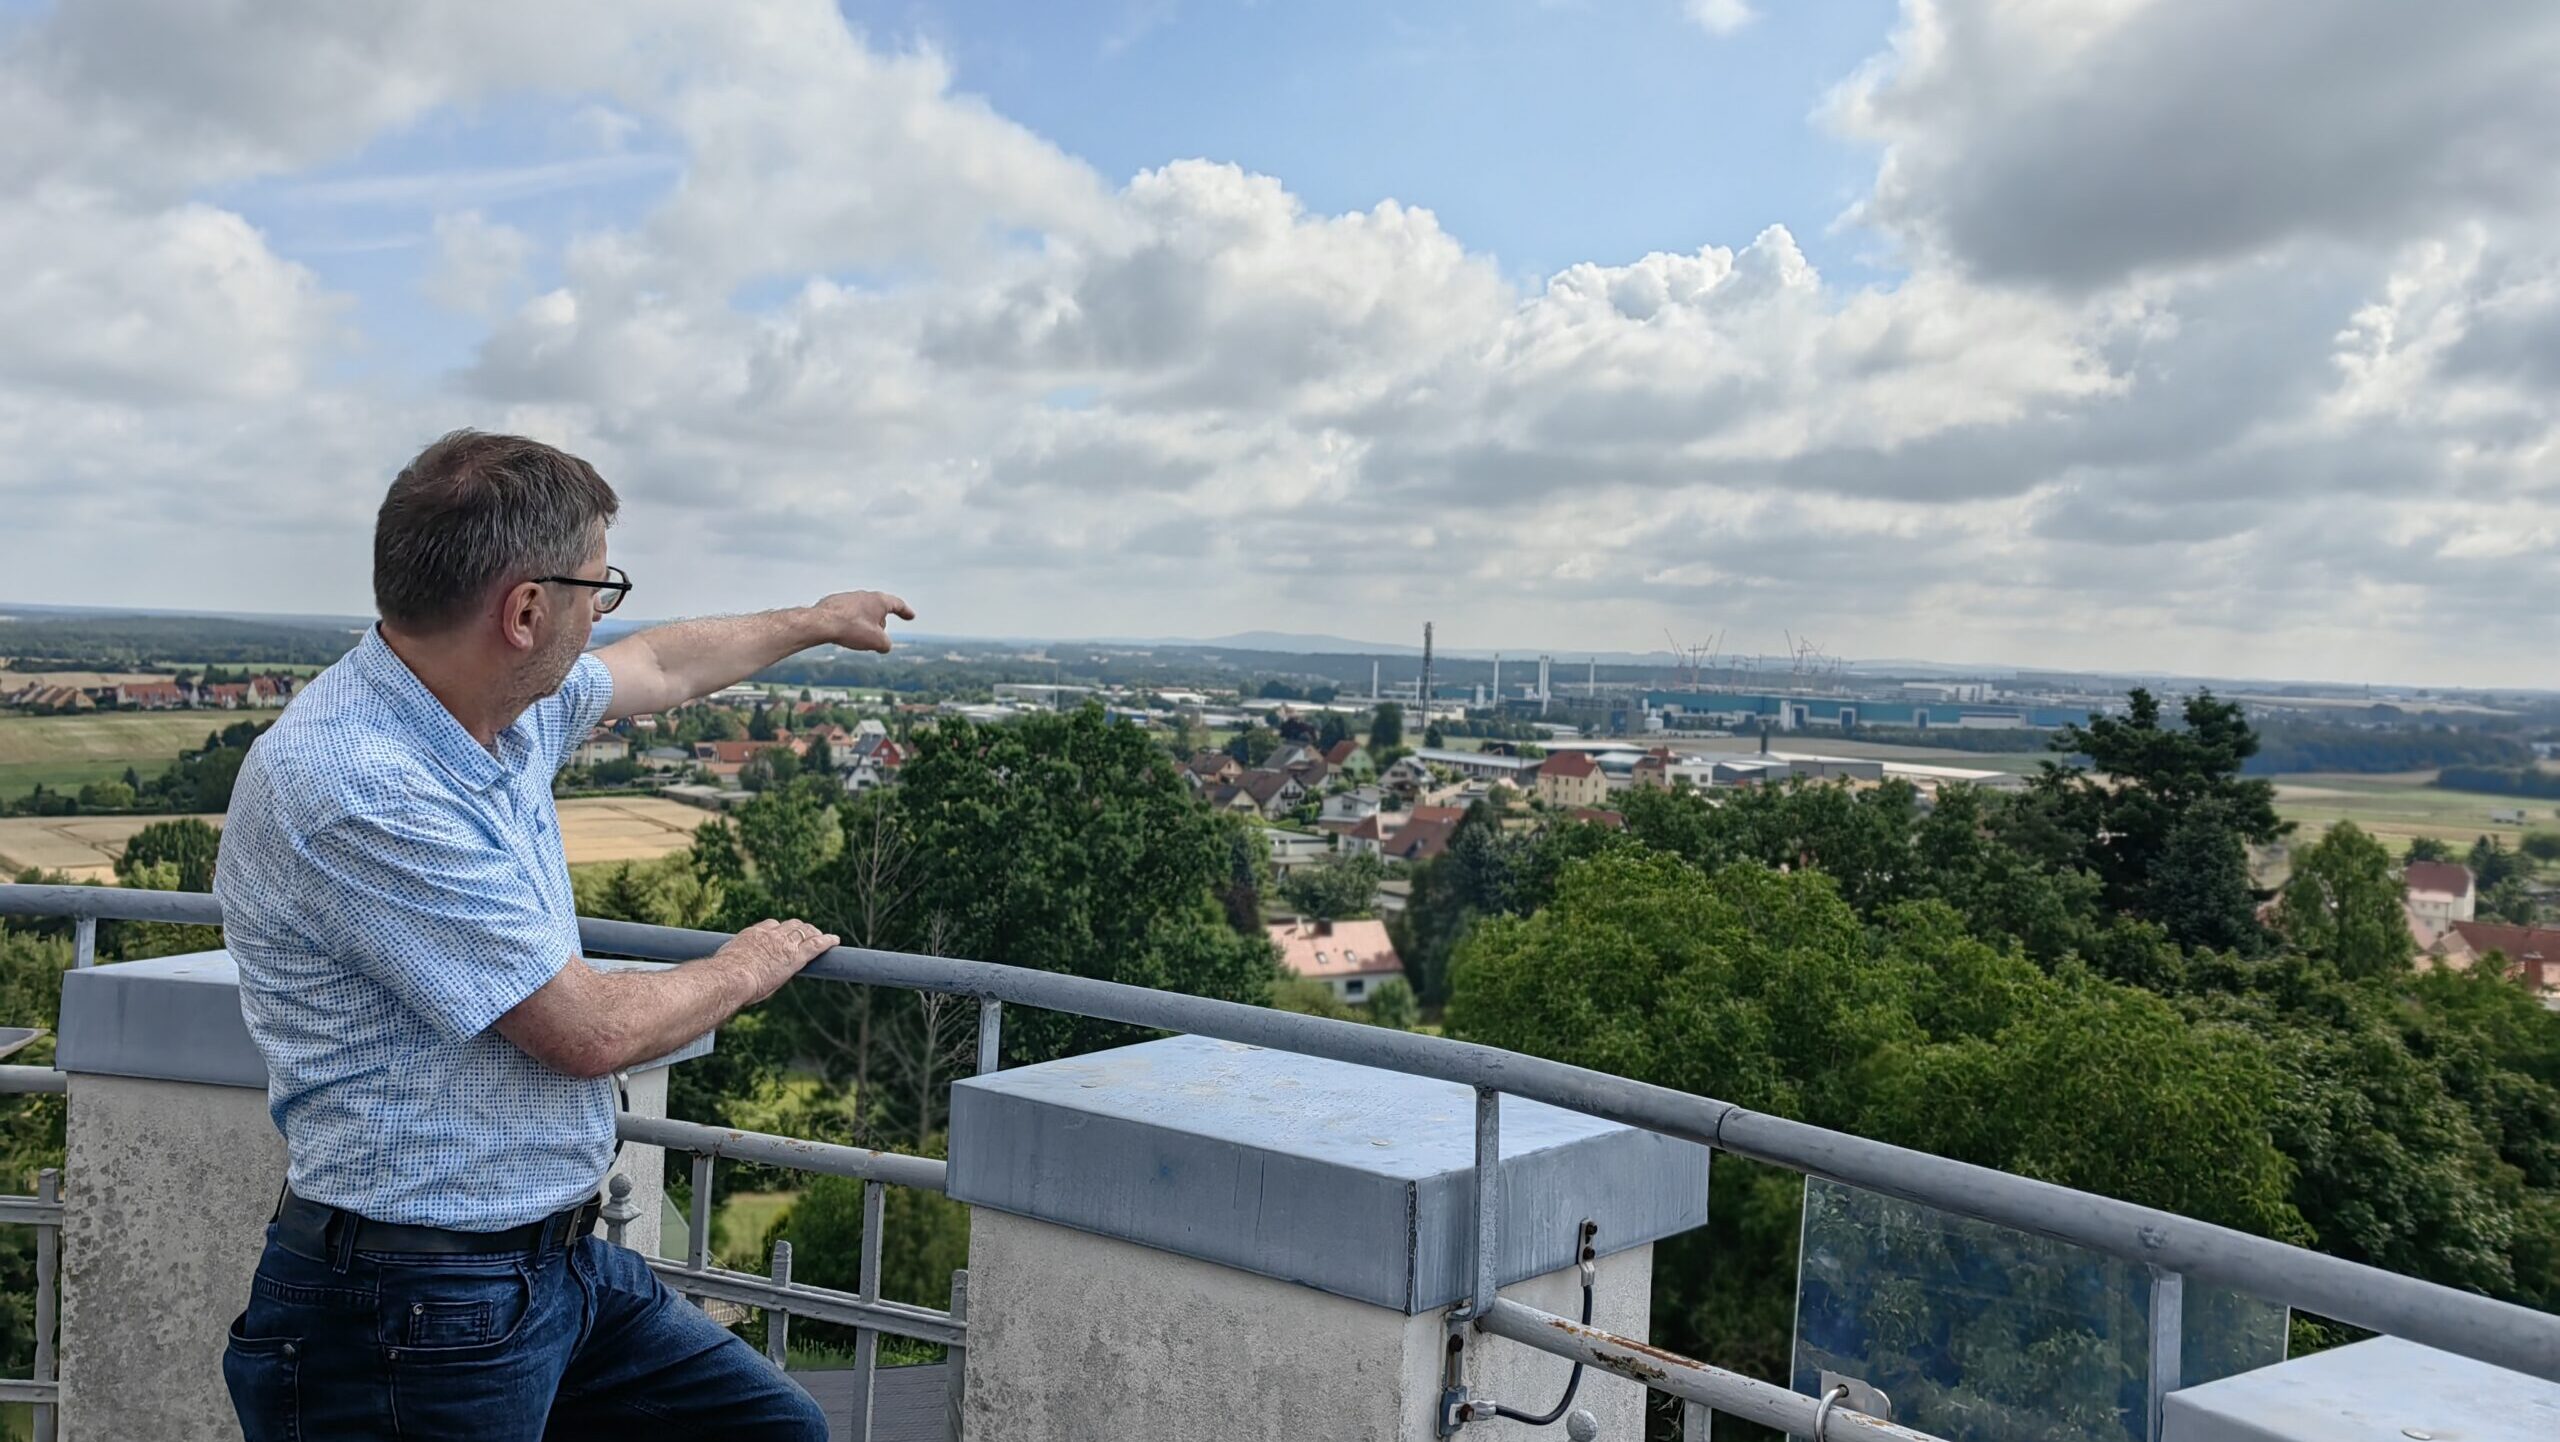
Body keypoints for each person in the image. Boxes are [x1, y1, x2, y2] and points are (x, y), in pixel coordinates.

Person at [212, 430, 912, 1440]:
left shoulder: (498, 710)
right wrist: (751, 962)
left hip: (554, 1267)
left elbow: (663, 664)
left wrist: (814, 620)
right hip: (410, 1305)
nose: (601, 613)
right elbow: (585, 1030)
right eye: (599, 587)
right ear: (525, 610)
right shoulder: (357, 780)